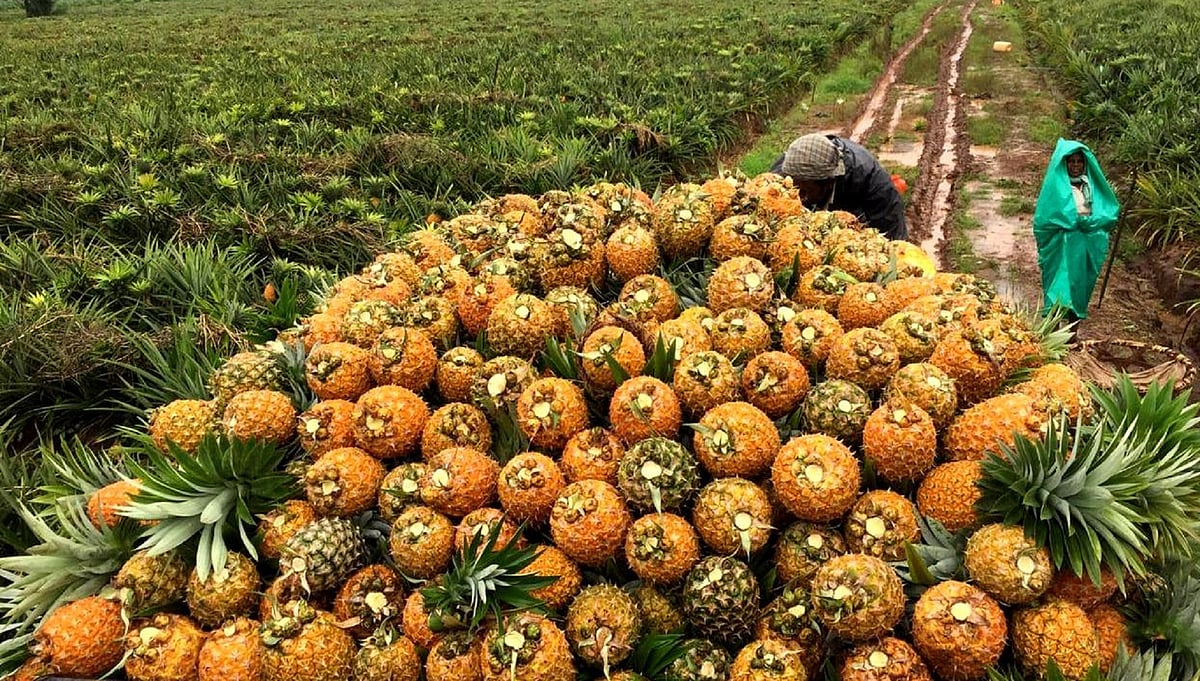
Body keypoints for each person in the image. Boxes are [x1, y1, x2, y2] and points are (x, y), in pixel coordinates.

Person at [1032, 139, 1119, 334]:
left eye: (1079, 162)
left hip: (1083, 248)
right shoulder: (1055, 189)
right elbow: (1044, 219)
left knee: (1079, 290)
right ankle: (1050, 336)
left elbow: (1107, 214)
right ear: (1064, 163)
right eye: (1071, 162)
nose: (1076, 166)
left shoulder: (1091, 186)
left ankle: (1072, 340)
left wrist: (1089, 223)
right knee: (1058, 290)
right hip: (1061, 247)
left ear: (1085, 163)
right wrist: (1070, 221)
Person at [769, 133, 908, 240]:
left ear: (827, 183)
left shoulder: (871, 182)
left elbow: (894, 238)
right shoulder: (782, 176)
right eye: (792, 188)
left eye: (804, 192)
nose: (798, 197)